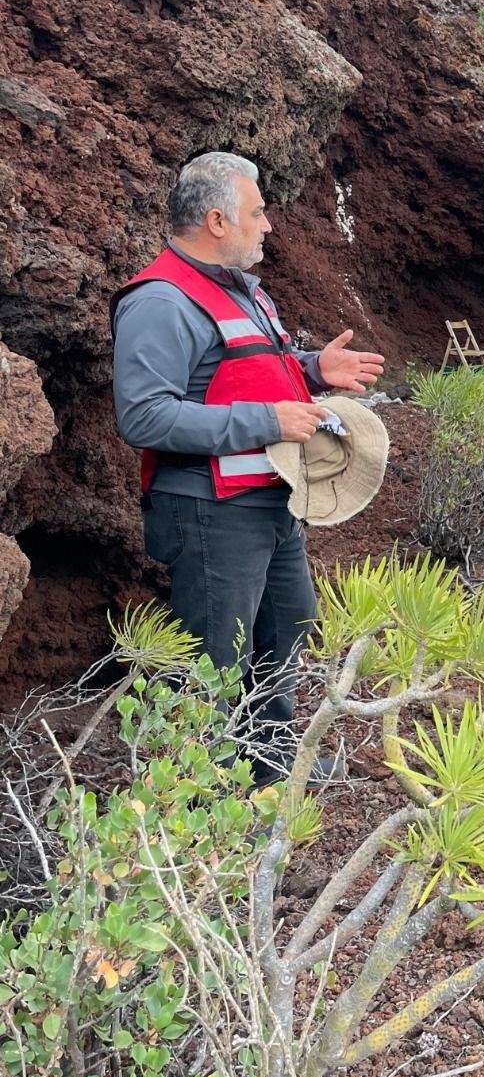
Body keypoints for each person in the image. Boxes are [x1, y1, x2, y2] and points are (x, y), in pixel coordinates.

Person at [111, 151, 385, 779]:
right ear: (215, 219)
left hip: (269, 501)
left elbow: (240, 373)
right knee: (216, 660)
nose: (268, 226)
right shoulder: (160, 300)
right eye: (258, 213)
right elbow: (143, 418)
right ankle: (203, 801)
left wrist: (315, 370)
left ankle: (268, 766)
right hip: (210, 512)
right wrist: (270, 421)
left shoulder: (241, 291)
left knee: (287, 628)